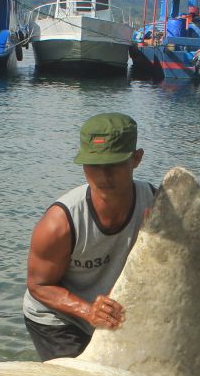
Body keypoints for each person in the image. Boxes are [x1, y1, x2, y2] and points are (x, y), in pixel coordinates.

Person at [23, 113, 158, 361]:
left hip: (111, 314)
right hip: (57, 318)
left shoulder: (155, 204)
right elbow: (38, 285)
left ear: (136, 159)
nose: (103, 176)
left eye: (115, 164)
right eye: (94, 165)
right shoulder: (59, 223)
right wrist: (86, 311)